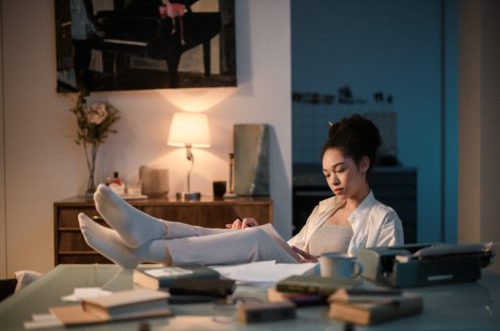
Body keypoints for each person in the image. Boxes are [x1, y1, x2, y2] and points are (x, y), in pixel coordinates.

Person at [78, 114, 403, 269]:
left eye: (340, 170)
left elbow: (382, 277)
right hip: (292, 269)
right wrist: (256, 234)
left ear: (364, 164)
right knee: (242, 233)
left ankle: (142, 250)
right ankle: (149, 236)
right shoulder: (325, 208)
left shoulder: (384, 219)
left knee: (259, 238)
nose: (332, 181)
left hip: (322, 282)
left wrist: (322, 260)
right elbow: (291, 248)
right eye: (327, 173)